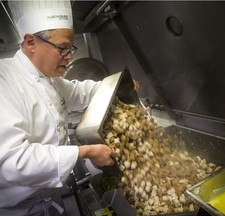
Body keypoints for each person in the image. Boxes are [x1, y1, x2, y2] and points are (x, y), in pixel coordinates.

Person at [0, 0, 135, 215]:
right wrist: (85, 152)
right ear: (31, 42)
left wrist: (118, 85)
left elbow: (82, 92)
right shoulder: (5, 80)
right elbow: (13, 163)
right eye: (63, 48)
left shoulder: (49, 78)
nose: (70, 56)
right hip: (18, 209)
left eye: (71, 48)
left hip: (50, 198)